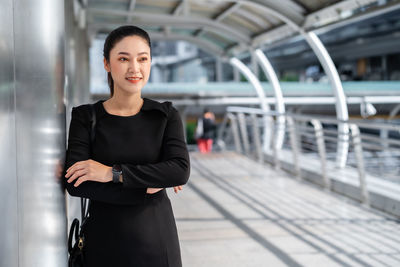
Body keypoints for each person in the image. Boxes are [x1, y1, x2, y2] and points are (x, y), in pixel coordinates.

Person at [63, 25, 190, 267]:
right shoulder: (85, 118)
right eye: (123, 58)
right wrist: (145, 186)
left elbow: (179, 170)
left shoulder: (164, 115)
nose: (135, 68)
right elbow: (75, 183)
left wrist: (111, 173)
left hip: (157, 243)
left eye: (143, 59)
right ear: (107, 64)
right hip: (103, 245)